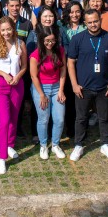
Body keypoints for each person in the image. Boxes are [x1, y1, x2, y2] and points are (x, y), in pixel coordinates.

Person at [67, 9, 108, 162]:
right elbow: (70, 62)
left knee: (104, 117)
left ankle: (105, 143)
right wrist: (74, 84)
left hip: (104, 86)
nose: (93, 24)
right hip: (83, 88)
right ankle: (79, 144)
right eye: (89, 22)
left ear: (100, 20)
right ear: (85, 23)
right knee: (81, 118)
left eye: (95, 21)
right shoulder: (78, 39)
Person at [0, 16, 26, 175]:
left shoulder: (21, 44)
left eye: (8, 29)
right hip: (0, 86)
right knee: (4, 121)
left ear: (13, 28)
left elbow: (24, 66)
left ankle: (10, 145)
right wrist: (4, 74)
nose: (6, 32)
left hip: (17, 85)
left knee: (13, 118)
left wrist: (18, 76)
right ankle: (1, 157)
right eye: (3, 30)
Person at [29, 25, 68, 160]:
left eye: (52, 40)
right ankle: (43, 145)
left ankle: (56, 144)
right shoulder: (35, 55)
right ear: (41, 40)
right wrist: (41, 95)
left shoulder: (60, 51)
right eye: (47, 41)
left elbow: (63, 70)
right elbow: (34, 76)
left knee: (59, 119)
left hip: (57, 86)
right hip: (41, 87)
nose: (50, 43)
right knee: (44, 118)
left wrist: (61, 90)